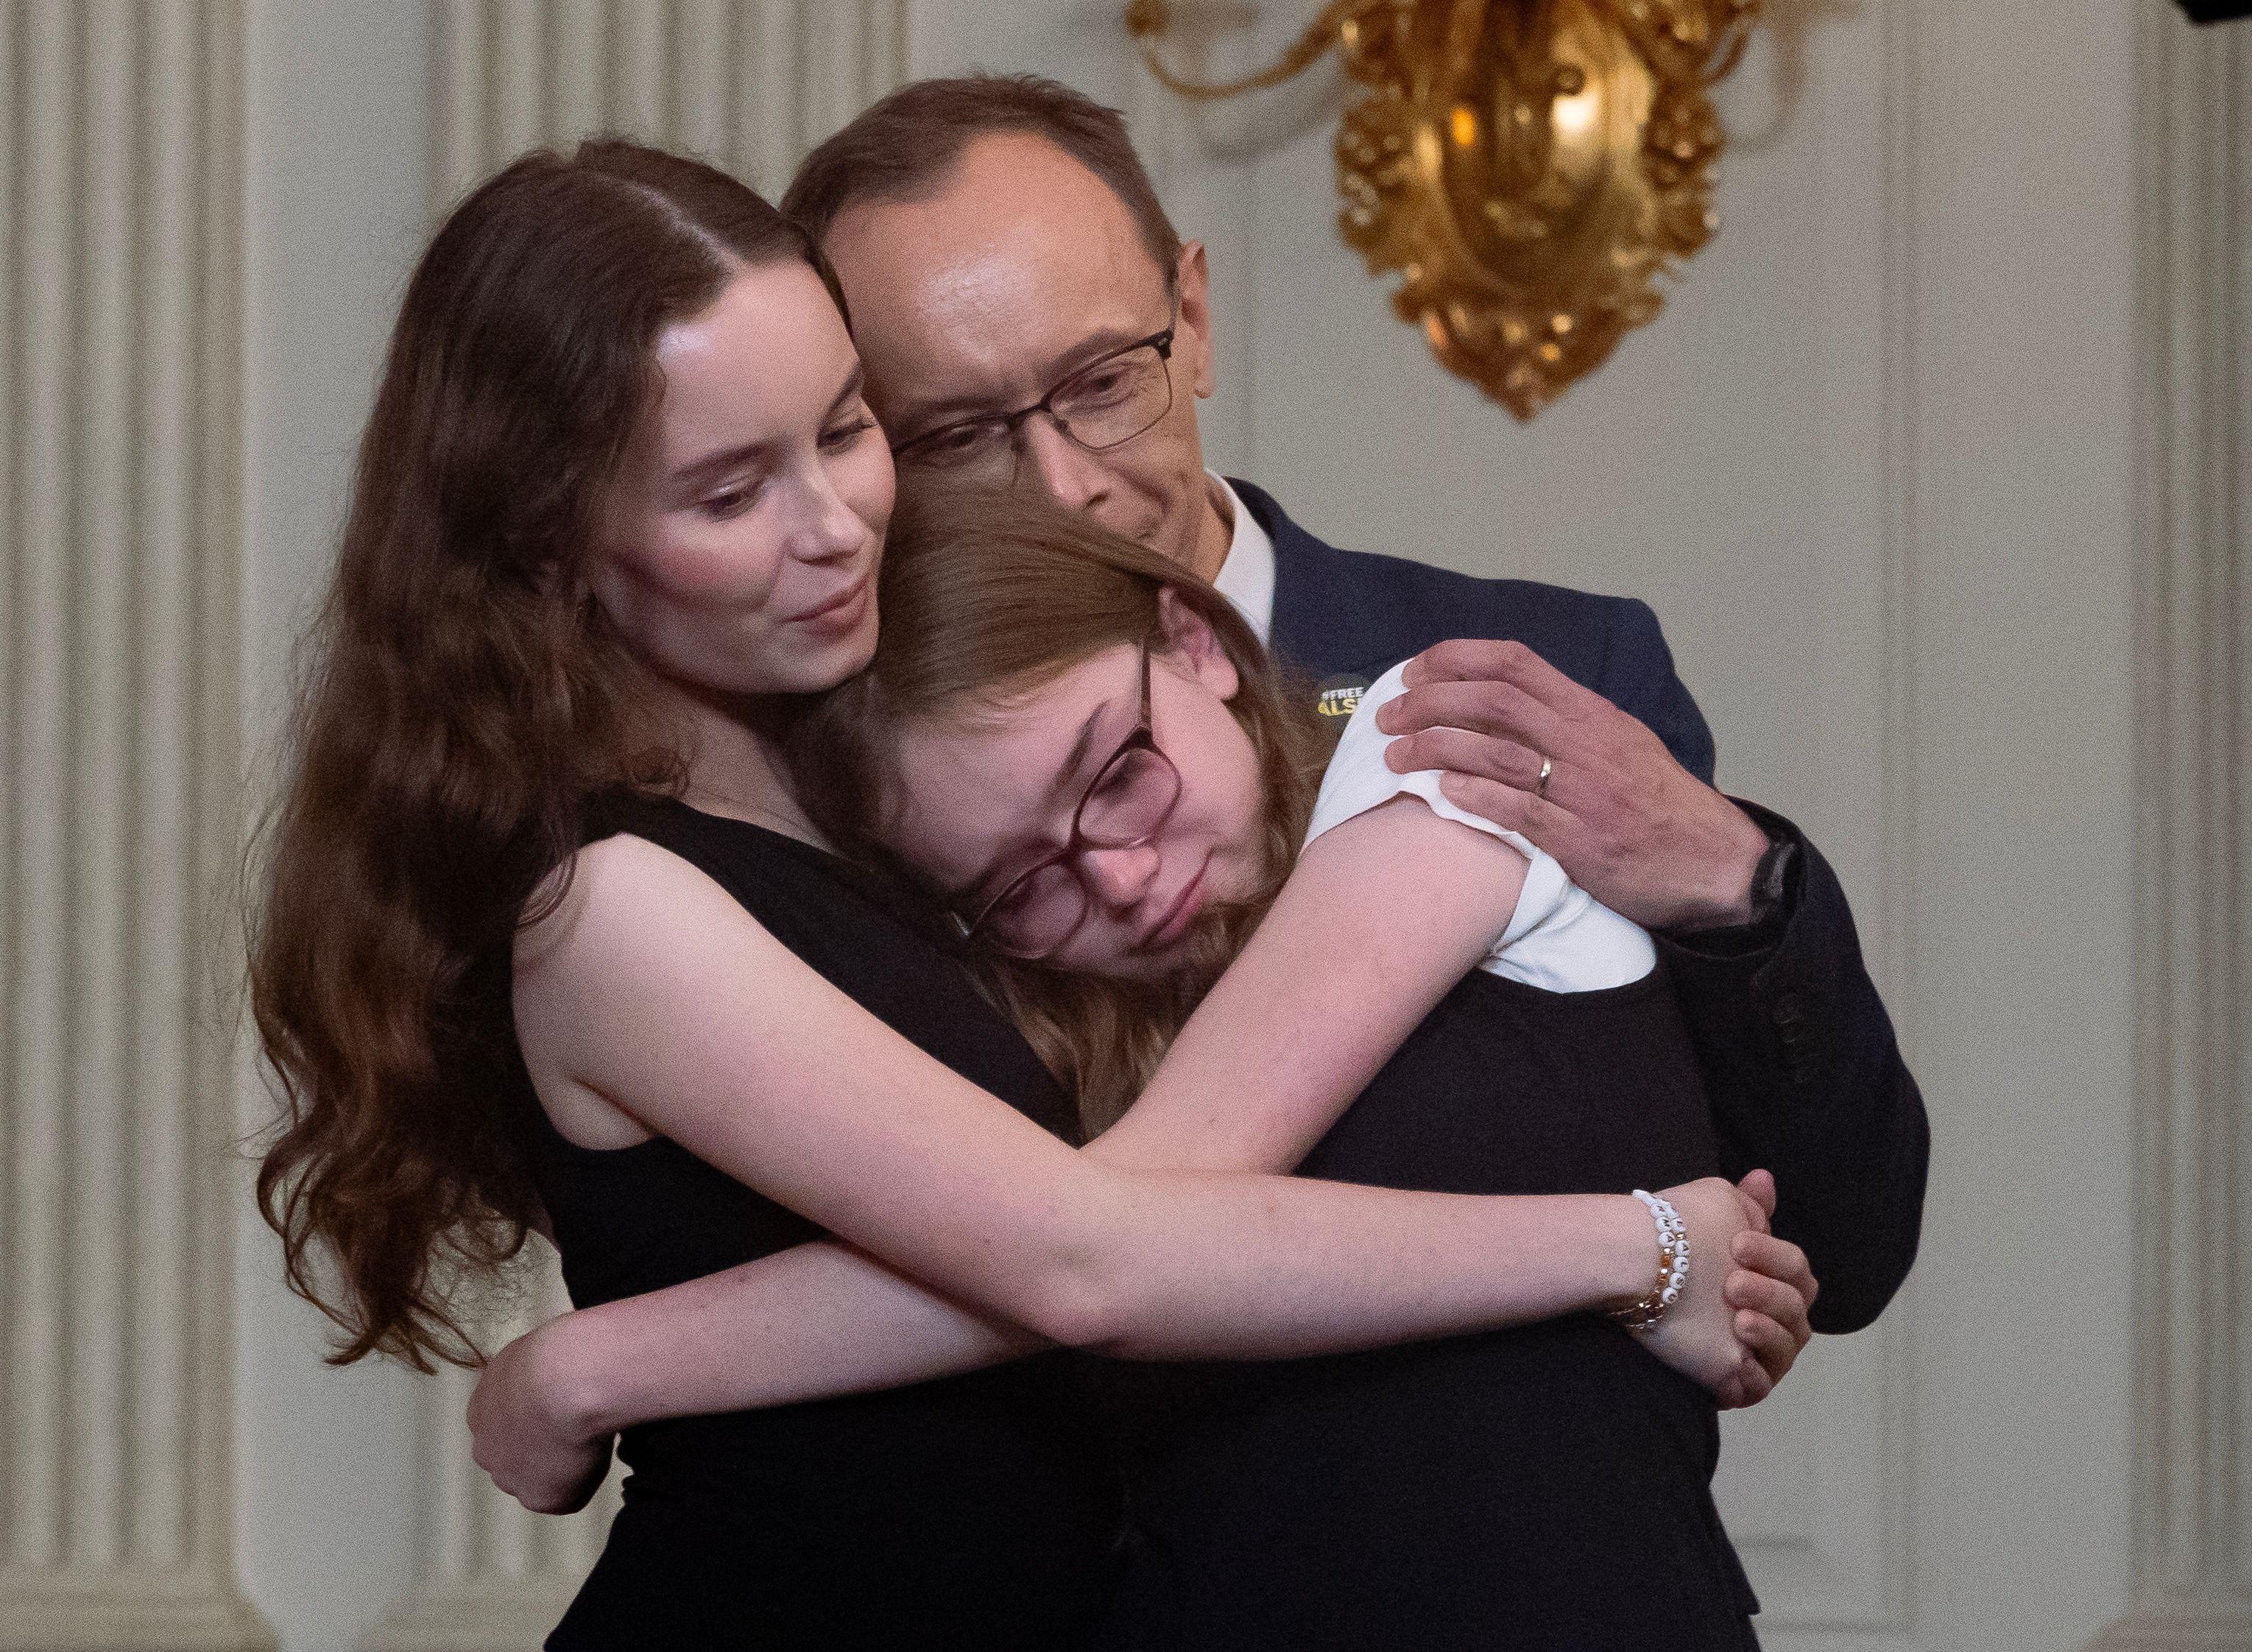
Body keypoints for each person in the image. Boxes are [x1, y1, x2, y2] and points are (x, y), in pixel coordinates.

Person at [250, 140, 1804, 1652]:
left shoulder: (871, 791)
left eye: (846, 427)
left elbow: (1101, 1219)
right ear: (549, 546)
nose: (833, 521)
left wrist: (600, 1364)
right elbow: (1088, 1260)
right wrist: (1635, 1249)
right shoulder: (611, 904)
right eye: (729, 491)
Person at [772, 73, 1927, 1335]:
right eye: (950, 439)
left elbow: (1838, 1244)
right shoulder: (842, 783)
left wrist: (1742, 884)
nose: (1059, 489)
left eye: (1101, 382)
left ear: (1195, 319)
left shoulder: (1550, 666)